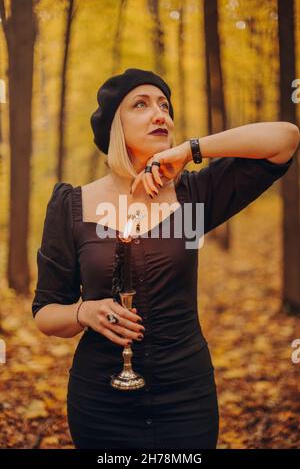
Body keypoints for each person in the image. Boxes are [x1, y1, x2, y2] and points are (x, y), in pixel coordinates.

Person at [32, 68, 299, 449]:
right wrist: (83, 313)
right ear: (114, 127)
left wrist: (191, 150)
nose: (161, 114)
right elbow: (45, 313)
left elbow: (285, 139)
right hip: (100, 402)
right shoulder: (70, 206)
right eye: (141, 105)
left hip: (186, 398)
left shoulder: (193, 196)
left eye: (164, 105)